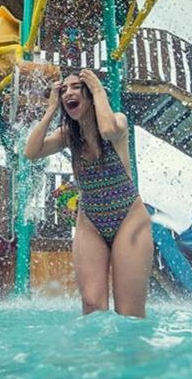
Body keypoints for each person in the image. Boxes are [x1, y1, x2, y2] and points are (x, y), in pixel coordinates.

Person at [23, 69, 151, 318]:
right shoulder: (69, 135)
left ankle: (133, 356)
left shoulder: (118, 121)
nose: (68, 93)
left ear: (90, 94)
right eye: (64, 91)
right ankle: (98, 357)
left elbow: (108, 131)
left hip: (129, 219)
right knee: (92, 305)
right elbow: (31, 151)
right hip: (90, 222)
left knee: (129, 312)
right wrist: (51, 110)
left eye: (76, 88)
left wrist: (98, 89)